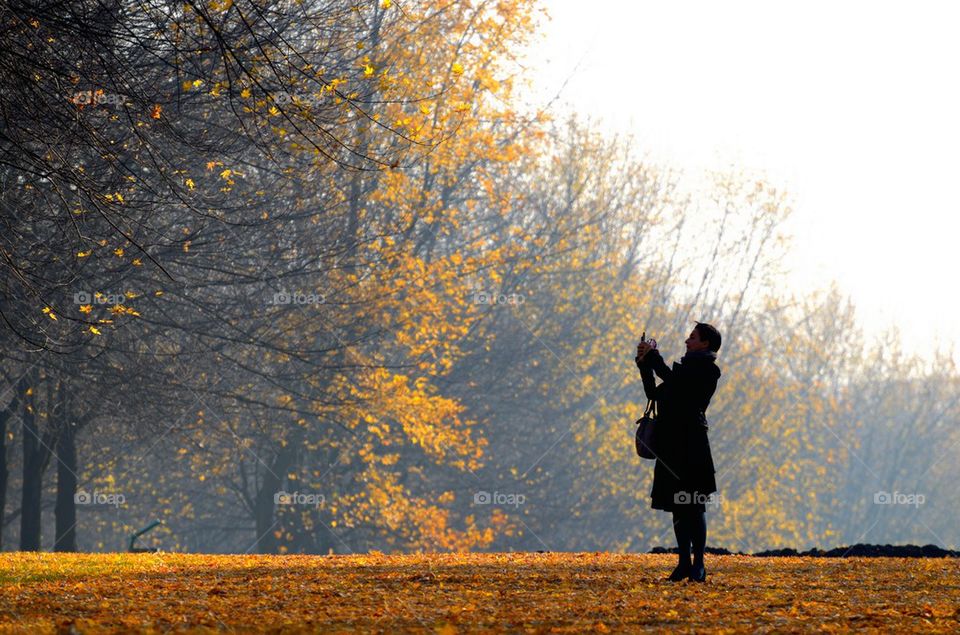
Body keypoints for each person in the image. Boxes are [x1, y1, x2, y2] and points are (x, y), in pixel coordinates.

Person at [635, 322, 722, 583]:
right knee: (677, 505)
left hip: (692, 446)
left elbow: (679, 385)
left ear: (705, 343)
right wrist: (644, 365)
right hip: (671, 445)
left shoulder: (708, 371)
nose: (687, 341)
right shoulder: (682, 370)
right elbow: (654, 392)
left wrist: (654, 358)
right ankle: (684, 563)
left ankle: (699, 565)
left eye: (692, 337)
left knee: (694, 505)